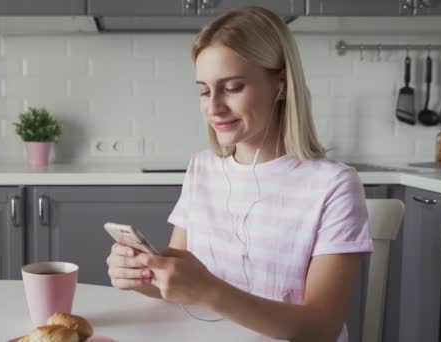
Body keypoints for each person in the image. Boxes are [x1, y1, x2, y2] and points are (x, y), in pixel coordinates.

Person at [106, 6, 372, 342]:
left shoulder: (333, 186)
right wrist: (143, 276)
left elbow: (321, 327)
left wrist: (210, 291)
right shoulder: (201, 168)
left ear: (281, 85)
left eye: (232, 87)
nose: (214, 107)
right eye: (204, 91)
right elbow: (180, 285)